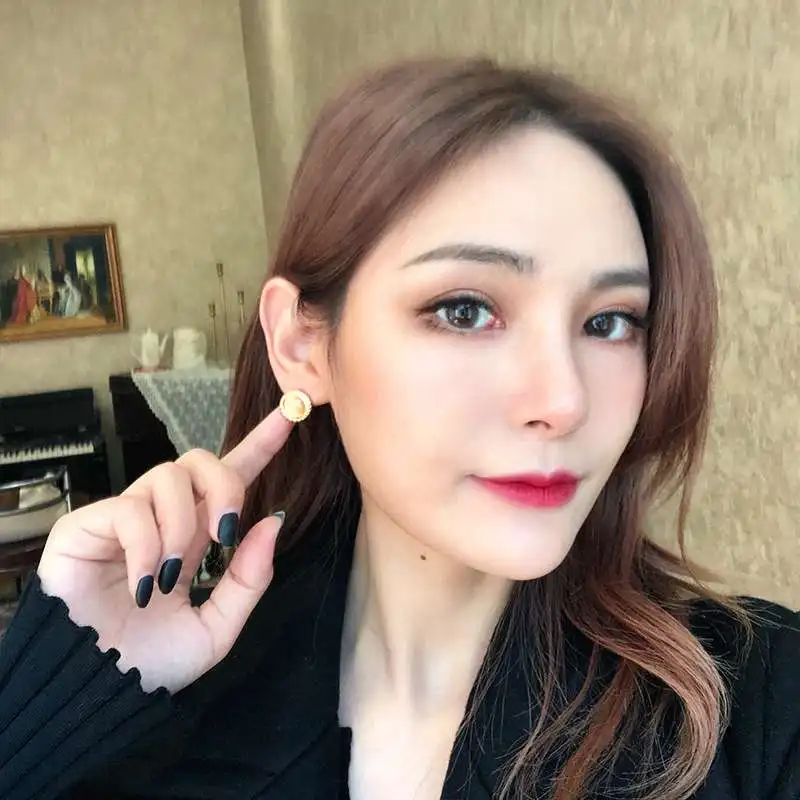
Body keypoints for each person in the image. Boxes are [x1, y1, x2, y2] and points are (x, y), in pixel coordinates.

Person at [0, 57, 797, 800]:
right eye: (466, 310)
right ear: (301, 345)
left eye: (610, 322)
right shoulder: (170, 697)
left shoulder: (759, 705)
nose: (564, 401)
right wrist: (58, 699)